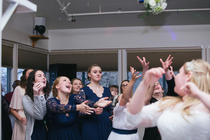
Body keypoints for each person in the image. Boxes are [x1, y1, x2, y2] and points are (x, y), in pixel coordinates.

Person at [126, 59, 210, 140]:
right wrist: (144, 83)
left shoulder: (205, 106)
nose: (175, 76)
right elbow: (133, 117)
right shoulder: (168, 103)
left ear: (188, 76)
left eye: (179, 73)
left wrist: (198, 94)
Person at [76, 64, 113, 140]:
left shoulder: (107, 90)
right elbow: (79, 113)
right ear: (89, 74)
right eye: (95, 72)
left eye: (100, 72)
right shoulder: (83, 91)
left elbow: (110, 108)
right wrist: (93, 111)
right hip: (90, 125)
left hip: (105, 124)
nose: (98, 74)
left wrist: (113, 115)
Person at [108, 66, 141, 140]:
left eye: (127, 85)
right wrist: (132, 80)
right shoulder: (119, 105)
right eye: (123, 85)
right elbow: (123, 99)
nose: (126, 87)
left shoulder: (136, 100)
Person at [22, 70, 51, 140]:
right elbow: (40, 116)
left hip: (52, 129)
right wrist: (37, 95)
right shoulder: (26, 98)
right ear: (33, 82)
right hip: (36, 131)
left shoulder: (50, 94)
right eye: (39, 76)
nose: (44, 78)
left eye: (44, 76)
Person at [10, 69, 33, 140]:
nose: (31, 74)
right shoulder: (19, 89)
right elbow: (12, 109)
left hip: (33, 119)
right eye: (29, 73)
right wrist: (21, 119)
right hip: (22, 120)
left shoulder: (36, 89)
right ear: (24, 75)